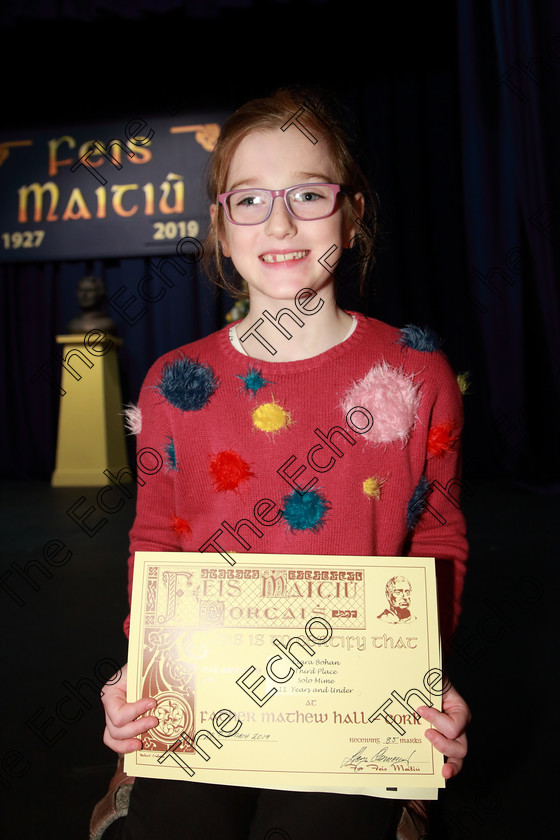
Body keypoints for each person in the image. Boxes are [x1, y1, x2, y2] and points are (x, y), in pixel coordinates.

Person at [96, 88, 470, 840]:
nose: (280, 223)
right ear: (219, 227)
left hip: (350, 709)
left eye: (308, 193)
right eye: (250, 200)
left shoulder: (416, 370)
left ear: (353, 212)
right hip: (206, 700)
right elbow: (156, 544)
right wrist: (135, 675)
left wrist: (427, 681)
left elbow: (437, 540)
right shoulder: (174, 383)